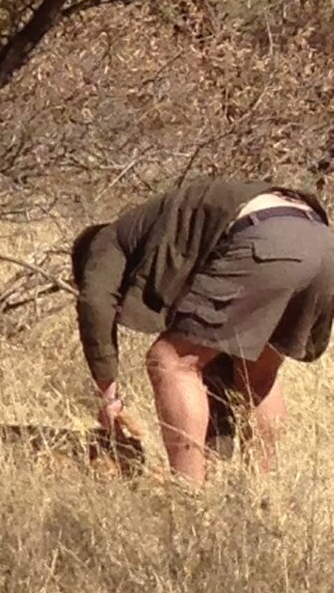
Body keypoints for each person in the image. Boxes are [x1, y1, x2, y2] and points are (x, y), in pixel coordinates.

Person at [73, 177, 334, 486]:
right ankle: (263, 495)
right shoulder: (165, 232)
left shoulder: (107, 241)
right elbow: (216, 372)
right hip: (322, 242)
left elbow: (94, 301)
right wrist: (215, 452)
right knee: (256, 375)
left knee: (169, 361)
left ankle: (189, 498)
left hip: (266, 241)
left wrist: (108, 397)